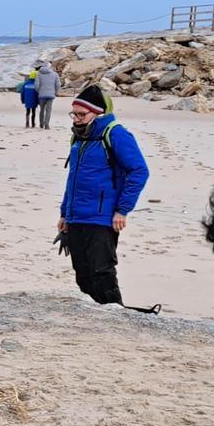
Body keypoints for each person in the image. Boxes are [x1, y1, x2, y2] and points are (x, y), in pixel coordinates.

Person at [56, 85, 150, 307]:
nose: (76, 119)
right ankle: (96, 318)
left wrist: (122, 209)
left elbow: (139, 171)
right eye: (74, 114)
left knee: (102, 273)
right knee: (83, 274)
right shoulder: (79, 138)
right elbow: (73, 180)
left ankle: (117, 317)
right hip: (76, 216)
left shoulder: (115, 134)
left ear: (98, 113)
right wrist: (64, 213)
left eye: (82, 114)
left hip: (102, 217)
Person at [35, 59, 60, 129]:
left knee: (42, 110)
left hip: (41, 95)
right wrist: (56, 92)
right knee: (48, 110)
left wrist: (39, 92)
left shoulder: (39, 74)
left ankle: (41, 124)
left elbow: (36, 85)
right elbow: (58, 85)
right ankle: (47, 125)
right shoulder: (55, 74)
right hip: (51, 95)